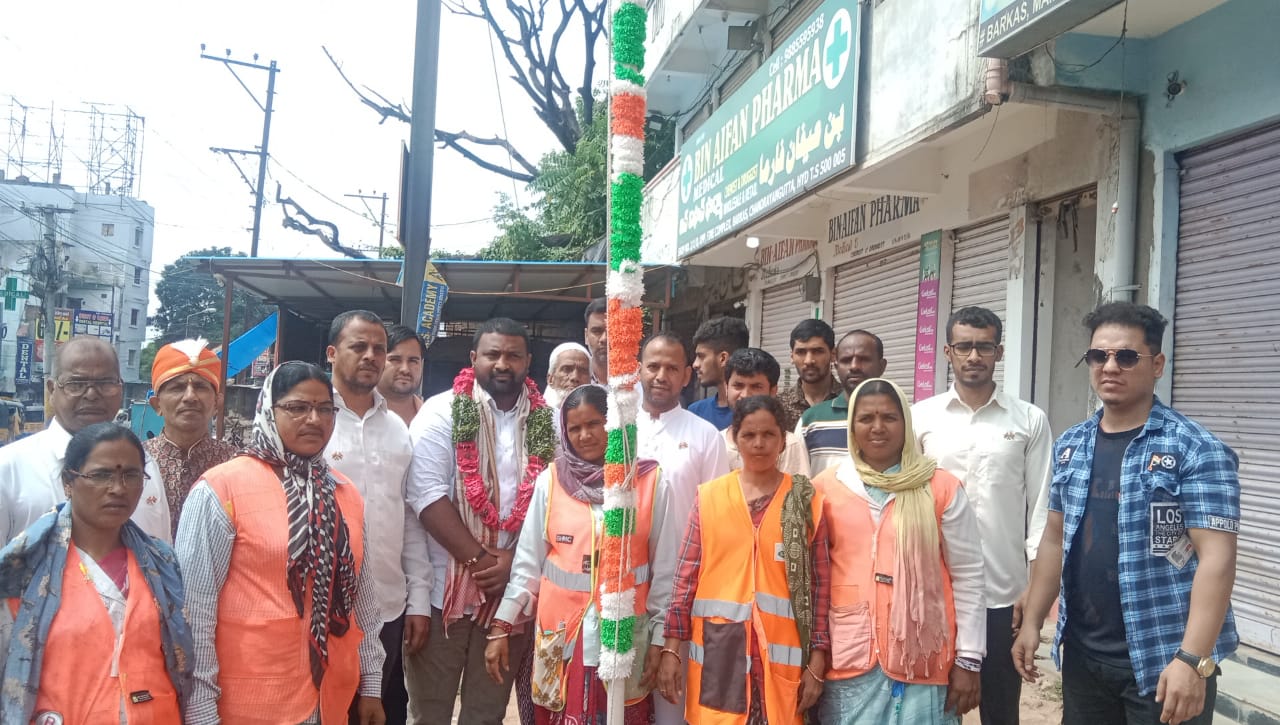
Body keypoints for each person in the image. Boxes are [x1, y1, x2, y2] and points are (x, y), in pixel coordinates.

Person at [1013, 302, 1240, 725]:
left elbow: (1217, 559)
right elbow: (1054, 539)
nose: (1110, 366)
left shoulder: (1195, 449)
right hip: (1084, 657)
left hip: (1164, 658)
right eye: (1099, 355)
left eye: (1127, 356)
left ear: (1157, 365)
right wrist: (1032, 623)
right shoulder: (1071, 445)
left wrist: (1192, 660)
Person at [176, 362, 386, 725]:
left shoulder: (343, 492)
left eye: (325, 409)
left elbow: (363, 598)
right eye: (297, 407)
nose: (314, 420)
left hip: (329, 697)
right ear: (269, 411)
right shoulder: (221, 488)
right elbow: (195, 609)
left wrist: (371, 682)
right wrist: (201, 710)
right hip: (247, 699)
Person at [485, 384, 676, 724]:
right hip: (563, 639)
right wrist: (502, 626)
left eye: (594, 424)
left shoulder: (649, 481)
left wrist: (661, 640)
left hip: (624, 639)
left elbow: (664, 573)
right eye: (574, 428)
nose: (584, 436)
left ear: (613, 424)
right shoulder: (552, 480)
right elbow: (527, 566)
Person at [405, 317, 555, 724]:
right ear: (474, 358)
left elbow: (556, 499)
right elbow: (426, 494)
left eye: (513, 355)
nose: (502, 363)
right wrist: (481, 561)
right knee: (429, 712)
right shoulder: (441, 411)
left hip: (512, 594)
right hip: (445, 592)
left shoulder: (550, 420)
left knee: (486, 714)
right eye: (493, 354)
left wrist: (514, 563)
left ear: (528, 361)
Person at [813, 378, 985, 724]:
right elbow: (814, 579)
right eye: (866, 418)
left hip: (924, 657)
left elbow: (968, 575)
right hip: (850, 654)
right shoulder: (825, 488)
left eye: (889, 417)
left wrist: (969, 659)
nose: (878, 427)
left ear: (906, 423)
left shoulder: (940, 486)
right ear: (852, 426)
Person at [912, 306, 1052, 725]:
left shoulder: (1028, 420)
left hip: (1003, 593)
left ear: (999, 352)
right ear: (947, 352)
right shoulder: (920, 417)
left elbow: (1042, 509)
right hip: (934, 589)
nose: (974, 356)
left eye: (984, 347)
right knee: (932, 707)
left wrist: (1034, 588)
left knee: (1001, 709)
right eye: (964, 347)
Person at [0, 422, 193, 724]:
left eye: (131, 475)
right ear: (68, 481)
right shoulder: (23, 567)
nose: (118, 488)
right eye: (101, 475)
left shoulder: (162, 562)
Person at [658, 395, 830, 725]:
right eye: (749, 435)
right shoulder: (709, 497)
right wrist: (670, 649)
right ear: (735, 439)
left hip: (781, 661)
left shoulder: (806, 502)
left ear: (783, 440)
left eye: (768, 435)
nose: (759, 444)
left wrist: (818, 662)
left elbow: (820, 590)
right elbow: (685, 579)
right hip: (720, 655)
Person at [325, 311, 433, 724]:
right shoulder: (313, 421)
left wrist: (417, 600)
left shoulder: (398, 431)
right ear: (332, 353)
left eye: (378, 348)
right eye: (359, 346)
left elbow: (410, 519)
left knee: (376, 713)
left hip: (387, 607)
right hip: (322, 607)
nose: (371, 356)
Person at [0, 336, 169, 543]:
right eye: (76, 384)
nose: (91, 395)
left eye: (105, 383)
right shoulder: (8, 469)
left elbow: (160, 555)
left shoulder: (145, 467)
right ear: (52, 389)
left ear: (121, 388)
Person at [143, 337, 238, 539]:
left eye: (200, 387)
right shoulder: (137, 462)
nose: (190, 397)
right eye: (177, 388)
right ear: (156, 404)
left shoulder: (236, 465)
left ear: (217, 403)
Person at [798, 330, 887, 475]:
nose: (854, 366)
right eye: (846, 360)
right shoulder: (810, 420)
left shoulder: (901, 419)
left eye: (864, 359)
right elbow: (798, 481)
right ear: (836, 366)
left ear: (882, 366)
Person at [721, 348, 811, 477]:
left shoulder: (790, 445)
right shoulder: (715, 442)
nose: (745, 395)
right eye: (738, 385)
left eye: (756, 387)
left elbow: (799, 489)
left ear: (773, 391)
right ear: (726, 387)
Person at [778, 319, 841, 432]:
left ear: (833, 354)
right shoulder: (778, 406)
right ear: (792, 357)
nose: (809, 361)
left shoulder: (849, 400)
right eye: (801, 352)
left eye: (817, 351)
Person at [689, 316, 750, 430]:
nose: (695, 364)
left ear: (723, 358)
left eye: (701, 356)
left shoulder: (755, 414)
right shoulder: (695, 412)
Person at [381, 324, 428, 427]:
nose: (405, 369)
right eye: (395, 360)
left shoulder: (432, 418)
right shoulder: (353, 413)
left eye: (413, 361)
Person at [544, 342, 591, 410]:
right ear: (550, 379)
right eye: (566, 369)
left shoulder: (603, 415)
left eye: (582, 371)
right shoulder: (536, 415)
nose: (575, 377)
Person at [585, 298, 609, 384]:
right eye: (597, 331)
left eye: (612, 332)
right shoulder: (574, 380)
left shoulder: (639, 382)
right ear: (586, 336)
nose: (604, 339)